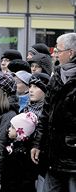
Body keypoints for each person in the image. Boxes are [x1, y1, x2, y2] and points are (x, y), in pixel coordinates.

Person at [31, 33, 76, 192]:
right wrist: (38, 143)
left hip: (72, 156)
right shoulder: (57, 74)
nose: (54, 54)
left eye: (58, 50)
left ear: (70, 53)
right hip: (53, 153)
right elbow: (46, 112)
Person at [2, 112, 39, 192]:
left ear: (21, 132)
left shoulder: (22, 152)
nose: (8, 129)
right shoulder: (12, 145)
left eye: (12, 127)